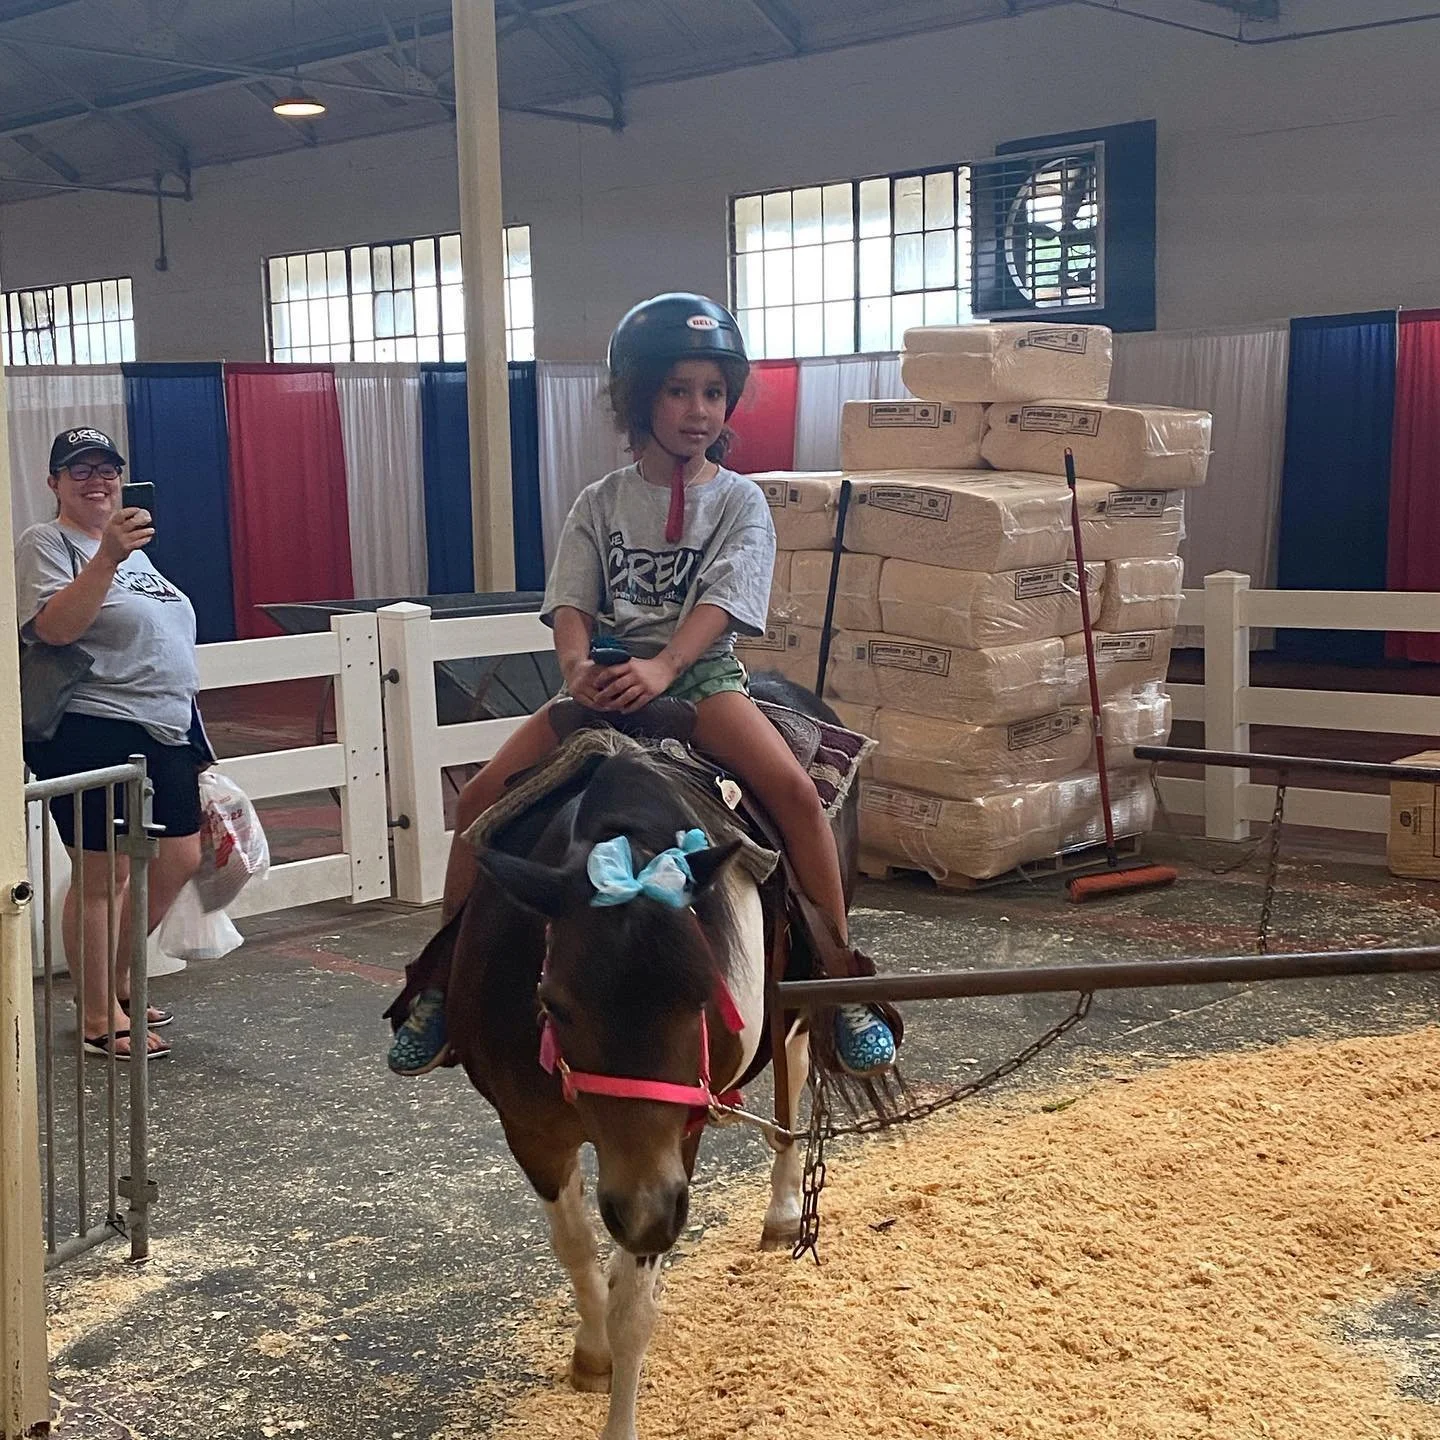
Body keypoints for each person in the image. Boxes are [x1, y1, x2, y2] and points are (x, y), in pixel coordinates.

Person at [388, 293, 898, 1080]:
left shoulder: (739, 501)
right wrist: (576, 670)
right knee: (479, 799)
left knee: (797, 797)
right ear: (640, 398)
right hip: (604, 681)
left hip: (701, 684)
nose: (698, 411)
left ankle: (838, 982)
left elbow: (724, 599)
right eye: (677, 390)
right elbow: (571, 600)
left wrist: (664, 669)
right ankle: (439, 983)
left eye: (713, 393)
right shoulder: (600, 502)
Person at [17, 427, 207, 1060]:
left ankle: (117, 983)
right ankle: (99, 1011)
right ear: (53, 484)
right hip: (91, 722)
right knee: (106, 870)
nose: (96, 481)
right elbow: (55, 628)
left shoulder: (134, 550)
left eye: (107, 470)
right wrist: (104, 560)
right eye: (79, 472)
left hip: (165, 726)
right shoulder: (47, 544)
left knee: (178, 857)